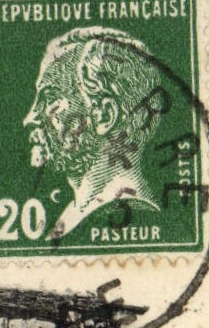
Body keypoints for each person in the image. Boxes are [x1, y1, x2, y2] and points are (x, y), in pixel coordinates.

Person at [23, 26, 164, 239]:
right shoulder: (77, 213)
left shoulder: (127, 213)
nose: (30, 118)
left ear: (105, 116)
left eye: (50, 99)